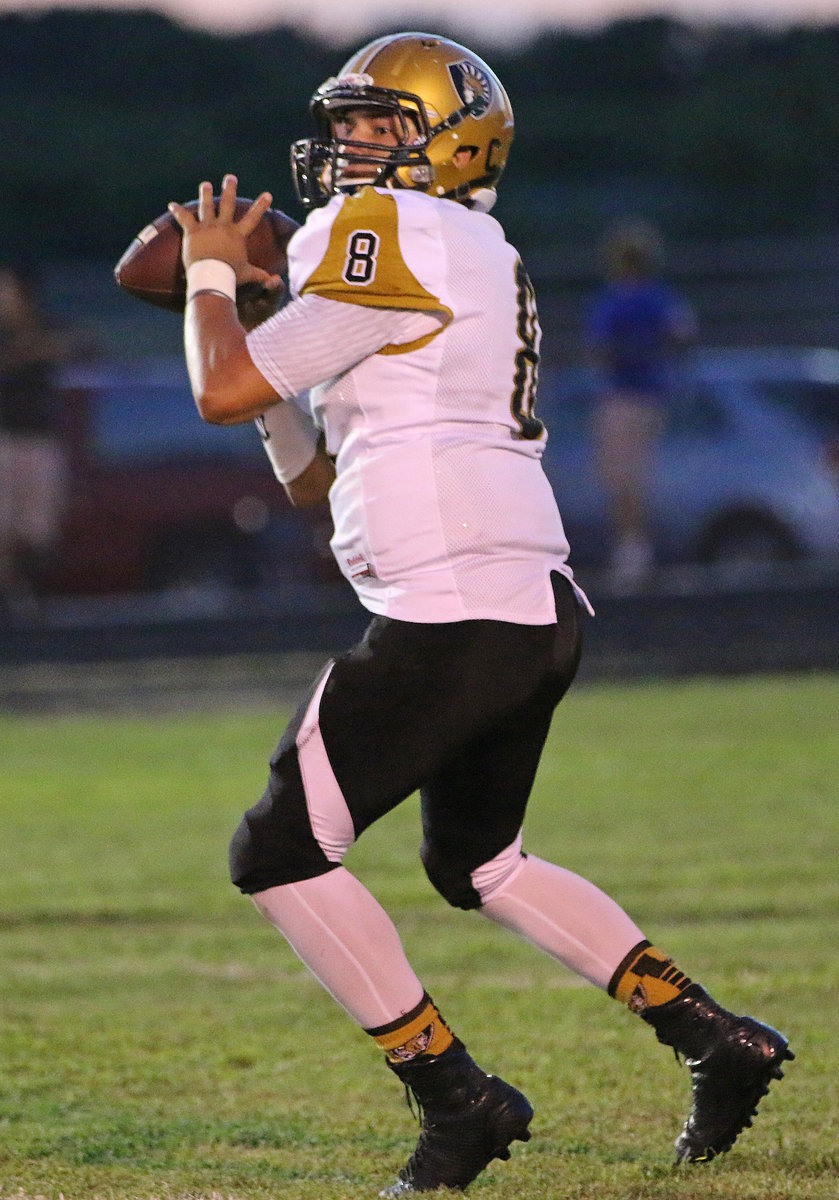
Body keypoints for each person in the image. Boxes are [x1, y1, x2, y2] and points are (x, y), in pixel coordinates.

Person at [168, 33, 791, 1194]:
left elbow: (215, 388)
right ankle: (713, 1037)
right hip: (527, 601)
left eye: (375, 124)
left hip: (453, 600)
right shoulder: (463, 243)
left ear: (446, 138)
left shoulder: (389, 228)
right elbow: (305, 472)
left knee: (280, 853)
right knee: (478, 861)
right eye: (342, 123)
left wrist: (208, 282)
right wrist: (260, 322)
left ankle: (457, 1099)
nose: (346, 145)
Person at [585, 219, 697, 590]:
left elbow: (599, 349)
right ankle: (638, 549)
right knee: (639, 475)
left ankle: (633, 550)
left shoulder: (614, 300)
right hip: (653, 393)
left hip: (623, 395)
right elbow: (683, 336)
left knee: (622, 478)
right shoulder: (661, 297)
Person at [0, 264, 73, 616]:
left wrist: (37, 349)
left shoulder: (47, 324)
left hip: (40, 440)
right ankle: (11, 599)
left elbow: (80, 345)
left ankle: (27, 595)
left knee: (38, 531)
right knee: (5, 527)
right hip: (5, 439)